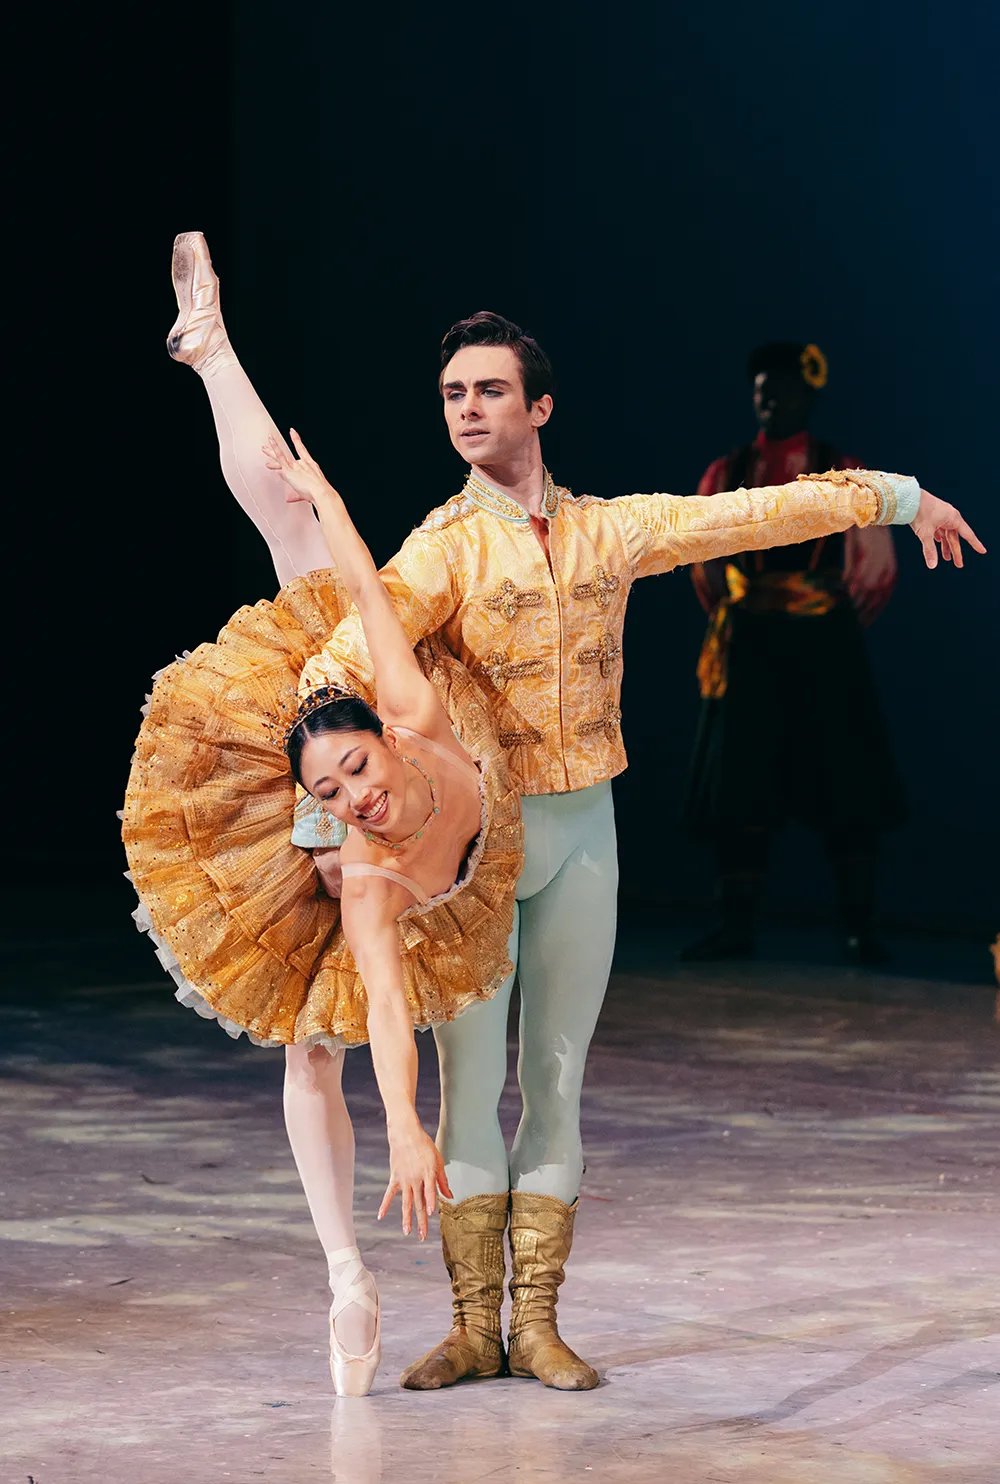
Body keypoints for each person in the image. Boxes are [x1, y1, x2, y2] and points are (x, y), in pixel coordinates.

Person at [292, 293, 983, 1392]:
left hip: (582, 838)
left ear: (540, 405)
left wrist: (901, 497)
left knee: (556, 1080)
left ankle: (541, 1324)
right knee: (472, 1086)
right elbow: (330, 668)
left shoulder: (610, 530)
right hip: (473, 857)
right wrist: (326, 814)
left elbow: (751, 518)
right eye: (451, 395)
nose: (467, 410)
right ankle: (475, 1327)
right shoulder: (441, 550)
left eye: (488, 391)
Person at [121, 235, 523, 1398]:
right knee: (311, 1042)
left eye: (358, 778)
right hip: (315, 784)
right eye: (341, 798)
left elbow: (358, 590)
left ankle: (211, 354)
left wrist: (332, 494)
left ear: (392, 740)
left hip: (358, 719)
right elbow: (387, 1002)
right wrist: (404, 1120)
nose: (360, 799)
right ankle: (346, 1275)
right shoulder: (361, 858)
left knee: (307, 540)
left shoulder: (410, 710)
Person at [680, 340, 908, 964]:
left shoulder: (844, 470)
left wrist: (821, 620)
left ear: (808, 396)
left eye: (782, 391)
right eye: (762, 393)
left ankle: (859, 928)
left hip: (823, 646)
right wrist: (751, 614)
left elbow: (875, 569)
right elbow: (702, 565)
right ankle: (736, 927)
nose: (771, 402)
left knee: (847, 782)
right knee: (741, 786)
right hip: (750, 643)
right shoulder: (724, 475)